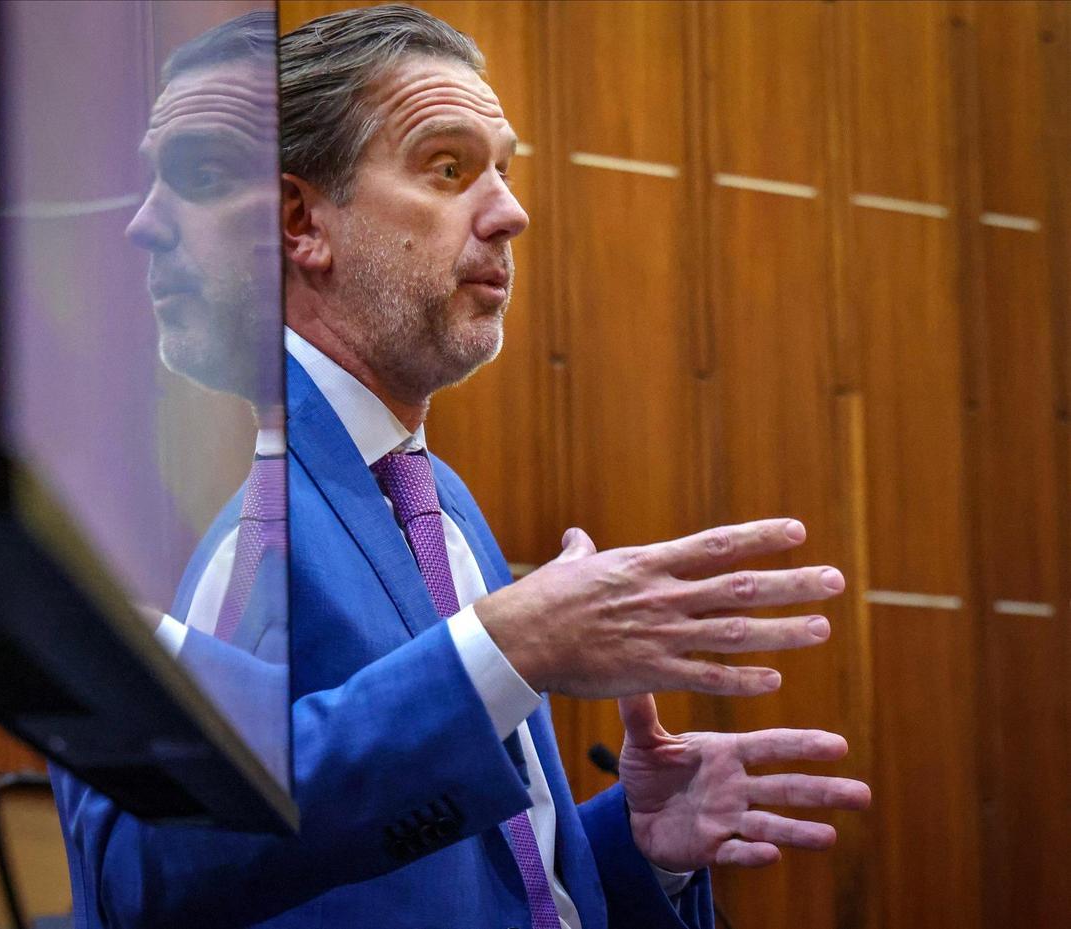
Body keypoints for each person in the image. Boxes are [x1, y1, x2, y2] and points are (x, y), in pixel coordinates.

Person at [53, 8, 870, 928]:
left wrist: (634, 845)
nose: (512, 210)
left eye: (504, 168)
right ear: (301, 221)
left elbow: (461, 878)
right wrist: (503, 648)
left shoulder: (435, 499)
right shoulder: (244, 525)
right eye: (449, 166)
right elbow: (150, 867)